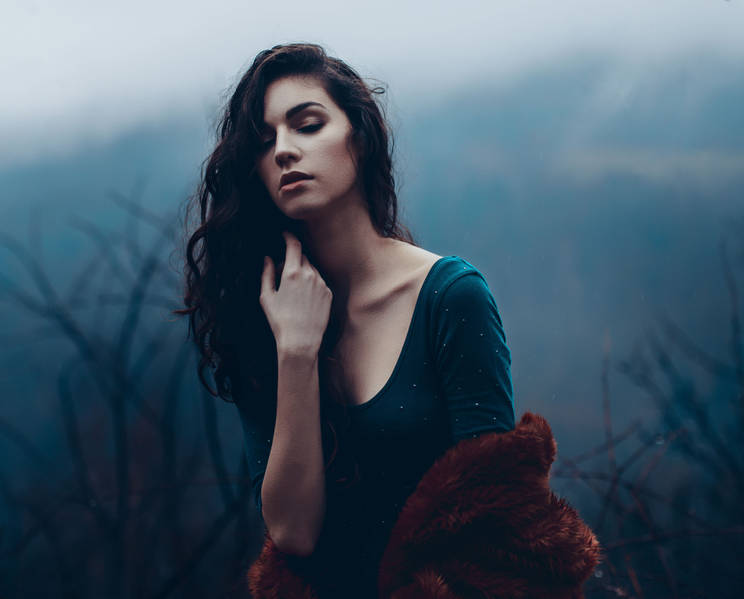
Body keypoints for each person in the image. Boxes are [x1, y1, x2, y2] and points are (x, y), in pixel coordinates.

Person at [177, 43, 518, 597]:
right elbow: (293, 533)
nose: (284, 151)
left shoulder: (450, 297)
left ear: (359, 138)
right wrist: (296, 349)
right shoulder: (259, 313)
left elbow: (495, 514)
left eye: (307, 125)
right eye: (264, 142)